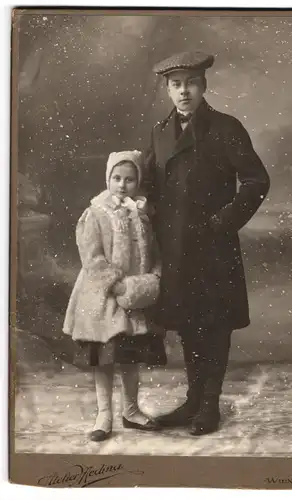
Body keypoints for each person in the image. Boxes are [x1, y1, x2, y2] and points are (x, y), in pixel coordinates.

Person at [143, 51, 270, 436]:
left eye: (191, 83)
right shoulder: (160, 132)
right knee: (187, 324)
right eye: (176, 84)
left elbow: (256, 181)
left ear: (204, 86)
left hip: (213, 246)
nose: (184, 91)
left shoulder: (226, 128)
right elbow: (149, 183)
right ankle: (193, 401)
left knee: (213, 325)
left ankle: (209, 406)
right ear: (168, 90)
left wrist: (223, 223)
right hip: (175, 247)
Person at [62, 150, 167, 442]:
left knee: (129, 357)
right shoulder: (95, 213)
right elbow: (92, 257)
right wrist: (117, 285)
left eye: (130, 179)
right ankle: (104, 413)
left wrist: (151, 281)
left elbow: (155, 253)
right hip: (103, 296)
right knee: (104, 358)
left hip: (134, 296)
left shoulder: (142, 216)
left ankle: (131, 410)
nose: (122, 185)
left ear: (138, 182)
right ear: (108, 179)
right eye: (117, 178)